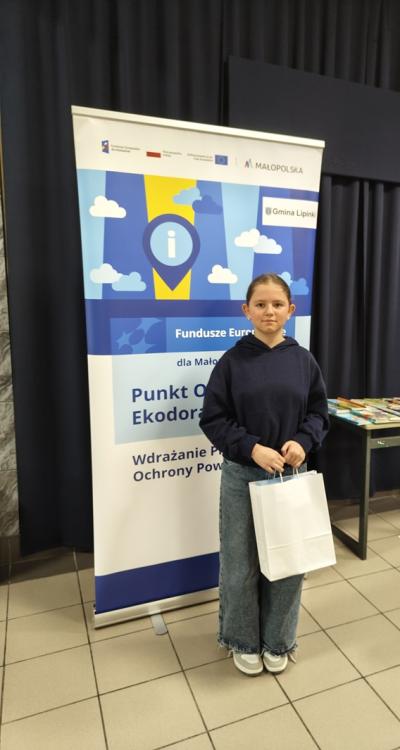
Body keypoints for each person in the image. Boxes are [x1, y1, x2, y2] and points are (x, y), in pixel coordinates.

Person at [199, 273, 329, 676]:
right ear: (246, 310)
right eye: (260, 304)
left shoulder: (303, 361)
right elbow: (213, 419)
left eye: (277, 304)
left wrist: (303, 441)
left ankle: (278, 640)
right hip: (242, 475)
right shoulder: (232, 362)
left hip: (290, 477)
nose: (269, 311)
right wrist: (252, 447)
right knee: (240, 565)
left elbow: (319, 413)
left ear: (291, 310)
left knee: (288, 562)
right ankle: (241, 639)